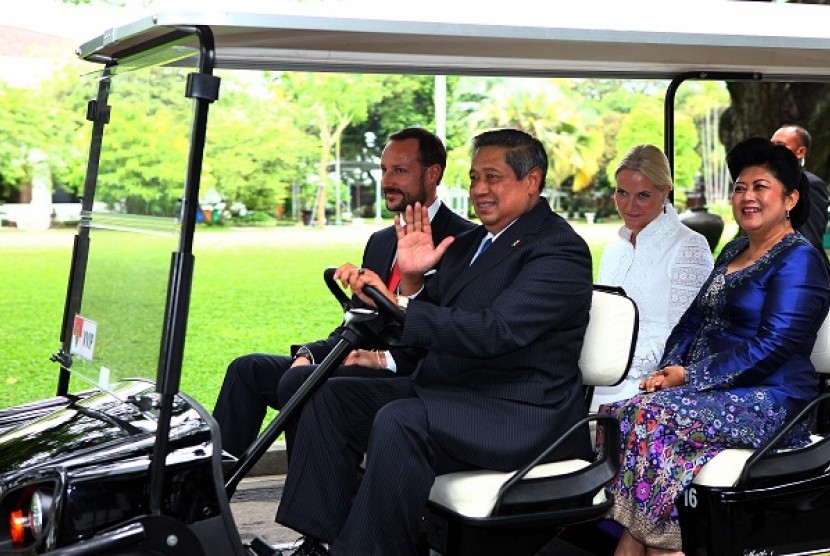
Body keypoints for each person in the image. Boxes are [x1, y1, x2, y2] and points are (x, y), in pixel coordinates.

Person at [275, 128, 594, 555]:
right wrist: (409, 280)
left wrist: (401, 305)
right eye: (474, 177)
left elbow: (495, 331)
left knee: (401, 420)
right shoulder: (469, 243)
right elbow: (434, 314)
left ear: (532, 181)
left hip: (517, 412)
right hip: (454, 391)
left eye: (492, 177)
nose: (479, 189)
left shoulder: (558, 250)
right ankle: (322, 540)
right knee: (326, 395)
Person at [603, 137, 830, 556]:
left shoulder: (800, 260)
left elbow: (775, 344)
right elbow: (693, 320)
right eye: (740, 187)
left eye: (760, 187)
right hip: (717, 393)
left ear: (791, 198)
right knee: (623, 415)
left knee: (647, 417)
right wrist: (668, 367)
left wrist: (691, 375)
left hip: (775, 401)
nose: (747, 197)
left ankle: (654, 545)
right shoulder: (734, 249)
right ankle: (663, 544)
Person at [212, 127, 474, 457]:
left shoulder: (464, 243)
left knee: (300, 383)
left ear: (433, 173)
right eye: (383, 169)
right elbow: (357, 323)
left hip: (406, 374)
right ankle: (211, 490)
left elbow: (451, 331)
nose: (387, 180)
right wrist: (310, 352)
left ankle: (308, 494)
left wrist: (380, 359)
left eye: (400, 170)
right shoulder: (381, 241)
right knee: (248, 369)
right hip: (358, 360)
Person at [591, 145, 713, 408]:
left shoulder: (689, 246)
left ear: (665, 191)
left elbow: (685, 335)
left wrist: (613, 362)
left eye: (643, 195)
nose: (629, 205)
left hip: (650, 382)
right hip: (598, 369)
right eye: (621, 193)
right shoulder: (615, 248)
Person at [771, 124, 830, 271]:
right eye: (771, 145)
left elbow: (810, 237)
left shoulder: (810, 184)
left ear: (800, 152)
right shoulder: (769, 183)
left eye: (781, 145)